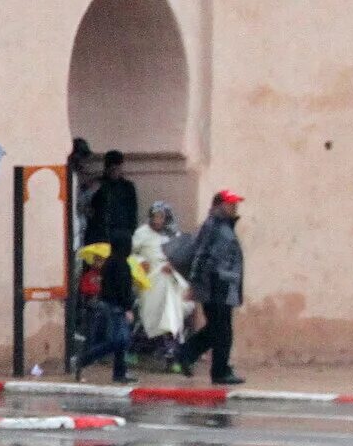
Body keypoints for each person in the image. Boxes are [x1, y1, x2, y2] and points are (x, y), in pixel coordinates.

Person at [76, 150, 138, 381]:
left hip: (119, 240)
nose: (116, 171)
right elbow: (85, 207)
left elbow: (132, 215)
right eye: (112, 167)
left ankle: (118, 373)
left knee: (119, 339)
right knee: (118, 339)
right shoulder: (98, 187)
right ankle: (88, 359)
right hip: (101, 242)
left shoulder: (127, 188)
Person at [175, 189, 247, 385]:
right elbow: (201, 255)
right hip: (215, 284)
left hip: (224, 284)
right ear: (219, 205)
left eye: (235, 204)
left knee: (217, 329)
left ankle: (186, 353)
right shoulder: (213, 225)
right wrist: (194, 284)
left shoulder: (223, 225)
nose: (234, 207)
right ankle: (219, 371)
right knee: (222, 330)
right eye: (230, 204)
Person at [132, 201, 191, 355]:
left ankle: (172, 347)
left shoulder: (172, 235)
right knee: (155, 308)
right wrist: (141, 262)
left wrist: (173, 265)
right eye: (155, 217)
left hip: (170, 278)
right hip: (150, 278)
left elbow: (181, 255)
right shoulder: (141, 233)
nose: (157, 221)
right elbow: (132, 254)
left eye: (161, 217)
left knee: (175, 306)